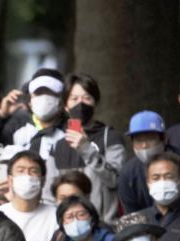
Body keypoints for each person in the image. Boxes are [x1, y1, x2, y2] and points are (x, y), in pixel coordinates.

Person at [50, 73, 126, 223]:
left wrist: (86, 149)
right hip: (68, 225)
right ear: (66, 106)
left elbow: (115, 180)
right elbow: (49, 194)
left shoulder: (110, 138)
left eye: (87, 98)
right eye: (74, 99)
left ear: (95, 103)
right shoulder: (58, 146)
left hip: (104, 225)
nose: (81, 104)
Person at [0, 68, 67, 181]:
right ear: (30, 98)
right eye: (39, 93)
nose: (44, 98)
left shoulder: (71, 126)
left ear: (61, 99)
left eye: (50, 93)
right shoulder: (18, 122)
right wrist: (1, 115)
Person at [118, 110, 180, 213]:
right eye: (138, 140)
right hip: (145, 227)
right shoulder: (128, 173)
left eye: (149, 138)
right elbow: (132, 216)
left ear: (164, 138)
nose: (144, 145)